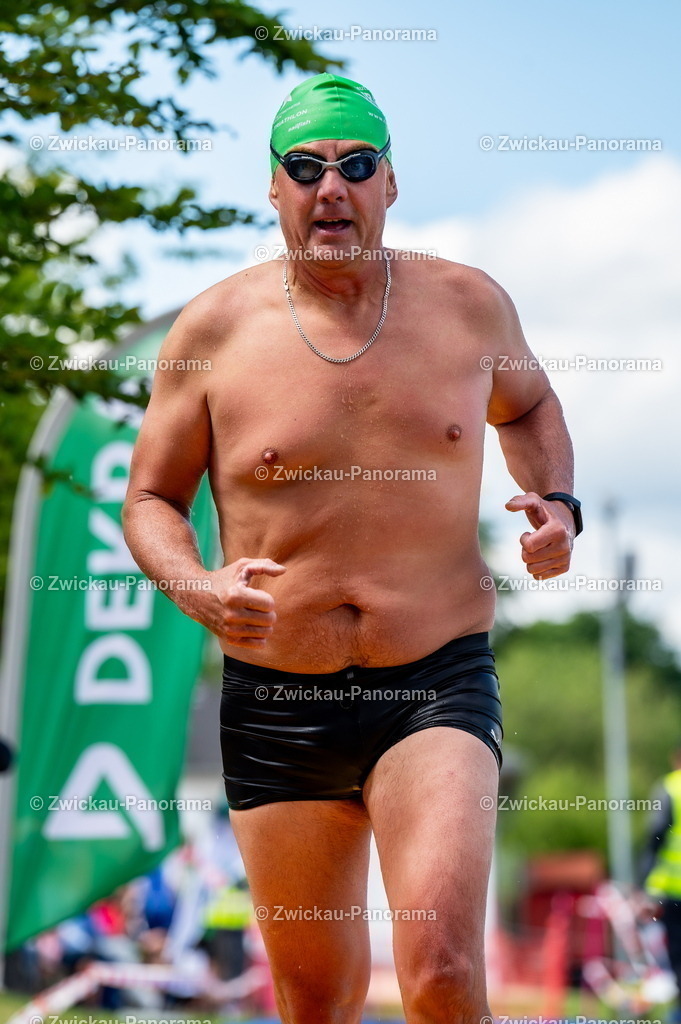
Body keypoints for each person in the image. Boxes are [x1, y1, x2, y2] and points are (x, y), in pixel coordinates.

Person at [123, 73, 580, 1024]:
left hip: (433, 680)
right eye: (306, 167)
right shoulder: (210, 330)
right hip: (274, 698)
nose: (331, 186)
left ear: (389, 183)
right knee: (314, 999)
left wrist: (559, 507)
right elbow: (152, 498)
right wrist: (198, 588)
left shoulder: (466, 309)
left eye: (355, 164)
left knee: (444, 972)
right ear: (276, 188)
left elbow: (529, 404)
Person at [640, 747, 681, 1023]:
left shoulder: (670, 787)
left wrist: (641, 886)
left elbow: (655, 837)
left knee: (677, 958)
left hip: (673, 891)